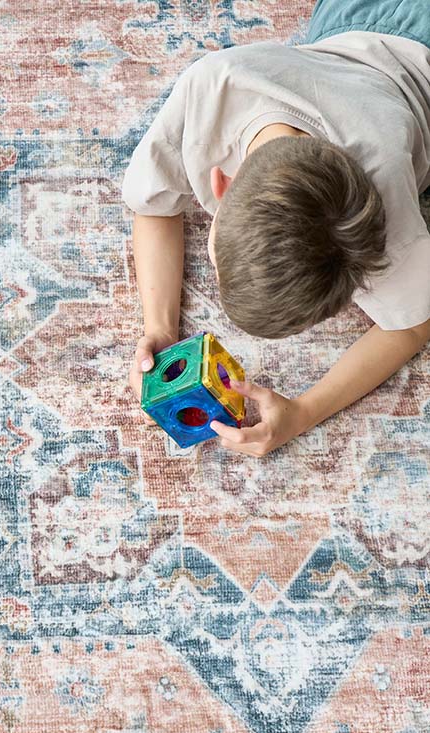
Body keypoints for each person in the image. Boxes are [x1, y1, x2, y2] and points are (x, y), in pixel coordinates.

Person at [121, 0, 430, 456]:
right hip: (351, 16)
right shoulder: (209, 85)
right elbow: (152, 206)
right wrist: (159, 328)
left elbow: (413, 325)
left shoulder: (381, 196)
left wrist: (302, 412)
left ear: (220, 185)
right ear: (222, 183)